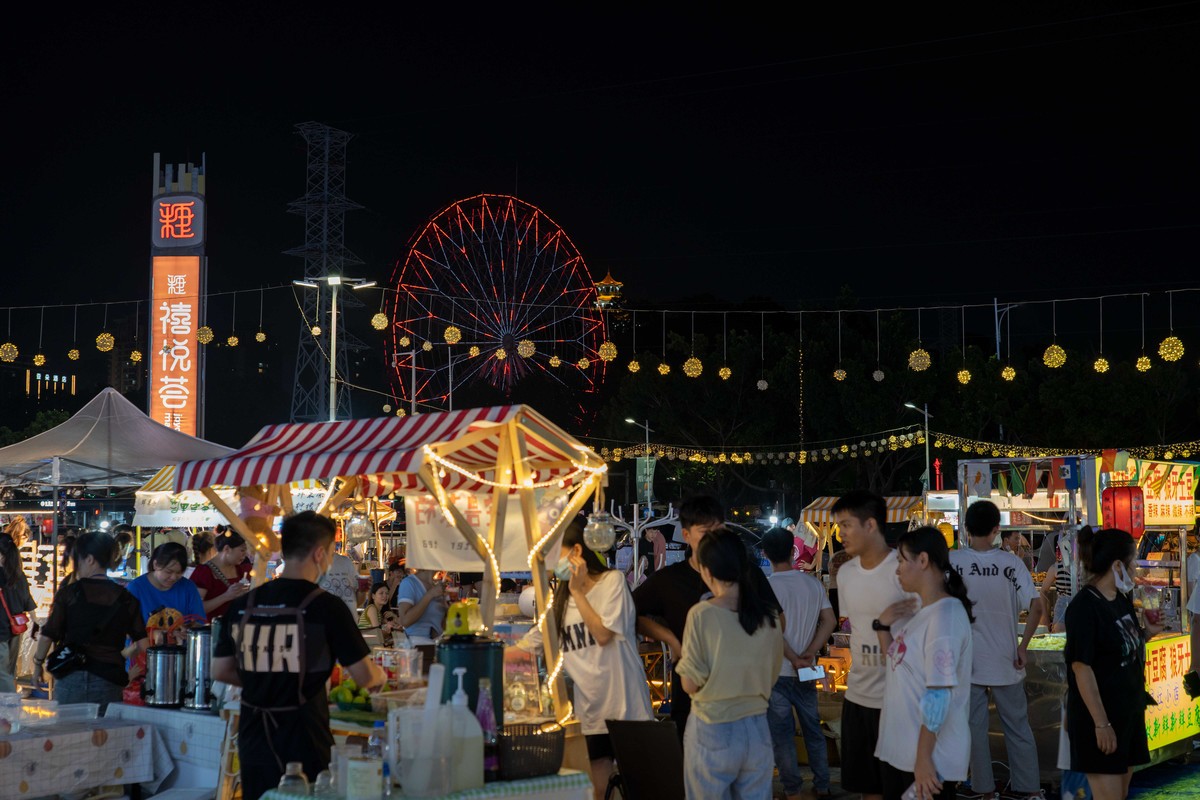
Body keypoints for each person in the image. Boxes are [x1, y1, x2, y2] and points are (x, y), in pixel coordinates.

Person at [212, 511, 385, 800]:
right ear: (319, 553)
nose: (330, 560)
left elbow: (220, 670)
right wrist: (382, 675)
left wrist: (265, 679)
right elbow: (366, 677)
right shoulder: (326, 607)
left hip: (254, 738)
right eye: (331, 553)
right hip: (304, 736)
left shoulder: (244, 604)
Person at [511, 517, 653, 800]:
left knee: (639, 790)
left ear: (577, 552)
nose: (553, 565)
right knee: (599, 792)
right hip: (592, 714)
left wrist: (577, 590)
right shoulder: (559, 604)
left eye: (556, 555)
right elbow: (527, 647)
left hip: (629, 711)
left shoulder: (612, 583)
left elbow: (602, 634)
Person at [675, 526, 784, 799]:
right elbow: (771, 675)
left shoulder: (702, 615)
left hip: (713, 727)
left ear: (706, 570)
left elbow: (689, 683)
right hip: (757, 730)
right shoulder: (769, 616)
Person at [949, 501, 1044, 800]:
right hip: (1007, 658)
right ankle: (1028, 789)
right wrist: (1023, 645)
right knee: (1017, 726)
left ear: (965, 528)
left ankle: (983, 789)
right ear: (995, 530)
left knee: (974, 728)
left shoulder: (952, 561)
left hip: (967, 660)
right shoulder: (1011, 563)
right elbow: (1038, 606)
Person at [874, 526, 974, 800]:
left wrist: (923, 759)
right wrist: (882, 627)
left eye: (901, 561)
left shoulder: (945, 618)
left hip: (928, 761)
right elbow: (899, 664)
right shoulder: (923, 612)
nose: (897, 570)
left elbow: (939, 694)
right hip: (902, 752)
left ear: (923, 560)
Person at [831, 490, 918, 800]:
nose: (840, 533)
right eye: (838, 526)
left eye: (846, 525)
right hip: (857, 697)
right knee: (867, 789)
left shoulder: (904, 570)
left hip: (897, 701)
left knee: (901, 788)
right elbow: (852, 626)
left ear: (870, 525)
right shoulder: (846, 574)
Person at [1063, 527, 1153, 800]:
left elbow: (1124, 648)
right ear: (1117, 565)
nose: (1136, 568)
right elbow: (1081, 667)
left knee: (1120, 793)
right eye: (1132, 562)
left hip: (1127, 714)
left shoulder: (1121, 600)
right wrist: (1101, 724)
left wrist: (1148, 632)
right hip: (1100, 720)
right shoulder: (1084, 606)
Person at [633, 495, 725, 737]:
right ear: (686, 536)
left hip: (737, 696)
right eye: (706, 532)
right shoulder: (668, 580)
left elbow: (775, 620)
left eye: (719, 530)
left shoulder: (745, 574)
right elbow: (630, 614)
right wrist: (671, 640)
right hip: (689, 692)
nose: (714, 539)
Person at [761, 527, 837, 800]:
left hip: (776, 672)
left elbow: (770, 629)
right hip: (807, 670)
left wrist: (793, 656)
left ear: (765, 553)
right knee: (812, 729)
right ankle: (823, 785)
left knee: (782, 735)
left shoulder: (766, 587)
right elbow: (830, 621)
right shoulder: (812, 584)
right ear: (793, 551)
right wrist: (808, 653)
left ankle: (792, 789)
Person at [33, 532, 148, 710]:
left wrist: (38, 664)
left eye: (77, 559)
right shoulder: (126, 599)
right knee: (104, 735)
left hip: (71, 676)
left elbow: (49, 634)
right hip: (109, 680)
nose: (75, 566)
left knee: (69, 735)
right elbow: (143, 644)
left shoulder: (69, 594)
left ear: (90, 559)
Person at [126, 542, 206, 638]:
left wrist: (190, 629)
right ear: (155, 565)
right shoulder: (135, 588)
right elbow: (125, 630)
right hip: (144, 650)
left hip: (180, 651)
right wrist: (155, 634)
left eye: (179, 573)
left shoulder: (188, 588)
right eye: (169, 571)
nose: (173, 577)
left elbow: (199, 622)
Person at [189, 528, 253, 621]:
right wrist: (226, 596)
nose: (245, 554)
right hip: (212, 629)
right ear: (227, 549)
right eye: (242, 550)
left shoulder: (243, 570)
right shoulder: (204, 572)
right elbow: (194, 608)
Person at [0, 534, 36, 693]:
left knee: (2, 673)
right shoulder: (18, 575)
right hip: (16, 629)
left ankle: (11, 707)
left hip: (1, 629)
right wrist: (36, 624)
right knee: (9, 671)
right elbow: (28, 601)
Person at [394, 567, 447, 641]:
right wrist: (430, 595)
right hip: (417, 645)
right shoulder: (409, 583)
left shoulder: (436, 587)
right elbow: (405, 621)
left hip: (437, 644)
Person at [318, 541, 361, 617]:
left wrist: (363, 589)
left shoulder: (346, 562)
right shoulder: (312, 565)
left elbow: (357, 601)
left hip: (349, 623)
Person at [359, 581, 399, 647]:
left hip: (370, 645)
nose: (385, 596)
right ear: (373, 596)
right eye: (381, 593)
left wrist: (394, 617)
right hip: (365, 646)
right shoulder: (372, 608)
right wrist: (389, 629)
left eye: (387, 593)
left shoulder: (380, 613)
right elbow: (377, 634)